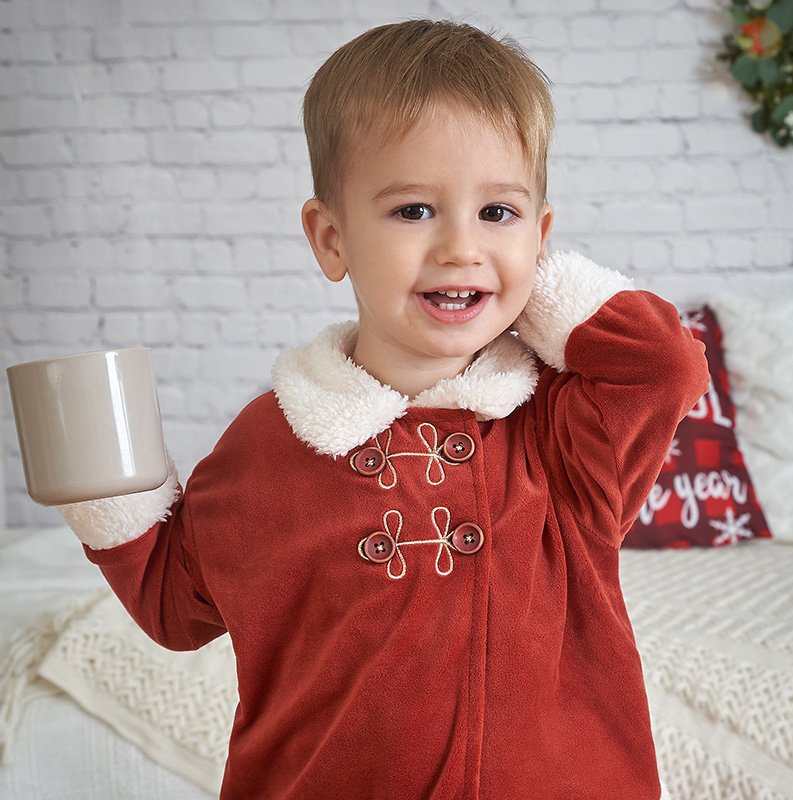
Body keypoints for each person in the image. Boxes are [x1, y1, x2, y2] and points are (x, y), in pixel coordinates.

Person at [55, 18, 708, 800]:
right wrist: (101, 485)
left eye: (496, 214)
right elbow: (175, 606)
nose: (461, 248)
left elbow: (663, 364)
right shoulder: (271, 443)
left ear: (540, 238)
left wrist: (541, 291)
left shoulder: (563, 436)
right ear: (331, 240)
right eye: (413, 211)